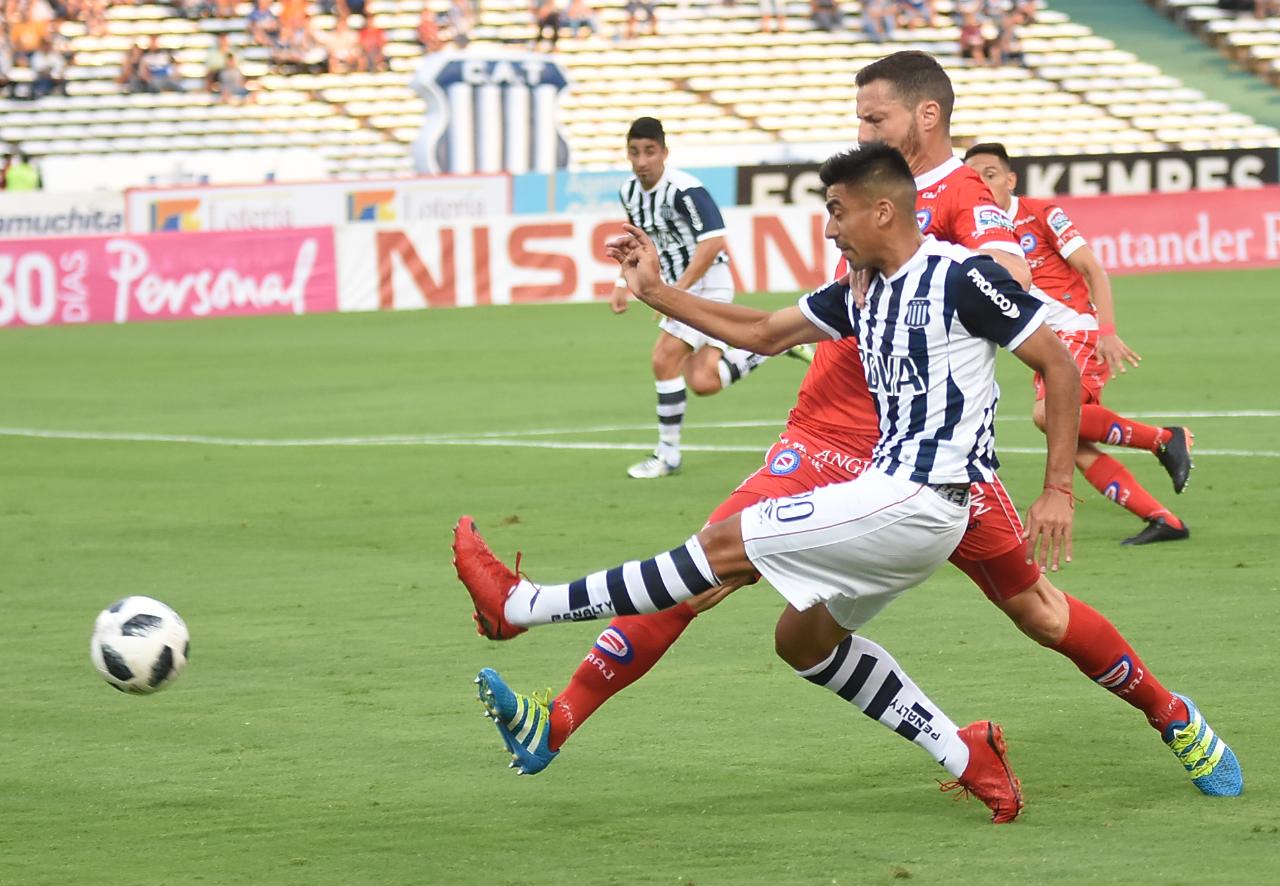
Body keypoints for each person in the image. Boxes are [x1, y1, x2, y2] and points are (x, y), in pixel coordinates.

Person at [455, 50, 1243, 807]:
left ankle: (1172, 715)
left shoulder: (961, 203)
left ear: (924, 117)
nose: (862, 130)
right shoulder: (868, 220)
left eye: (874, 117)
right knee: (742, 599)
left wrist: (946, 312)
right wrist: (660, 292)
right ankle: (557, 717)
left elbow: (1011, 278)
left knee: (1036, 610)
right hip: (844, 442)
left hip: (918, 458)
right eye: (859, 118)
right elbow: (768, 329)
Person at [457, 142, 1083, 820]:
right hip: (897, 504)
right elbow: (759, 332)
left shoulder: (960, 277)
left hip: (918, 500)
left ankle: (521, 607)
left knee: (721, 545)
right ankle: (967, 757)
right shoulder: (860, 292)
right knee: (802, 643)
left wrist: (1058, 488)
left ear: (882, 211)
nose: (828, 227)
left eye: (837, 212)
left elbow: (1059, 366)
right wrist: (655, 290)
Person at [963, 142, 1193, 545]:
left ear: (1010, 179)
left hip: (1076, 332)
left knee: (1046, 415)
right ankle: (1162, 519)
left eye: (991, 174)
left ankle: (1163, 438)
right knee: (1071, 446)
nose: (982, 183)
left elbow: (1092, 268)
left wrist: (1106, 330)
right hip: (1044, 344)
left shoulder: (1040, 213)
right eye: (974, 177)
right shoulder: (977, 233)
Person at [614, 117, 808, 480]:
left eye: (650, 152)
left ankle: (667, 456)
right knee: (704, 381)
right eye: (635, 152)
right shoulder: (628, 192)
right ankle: (774, 345)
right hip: (678, 287)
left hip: (706, 283)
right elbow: (638, 241)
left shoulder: (685, 189)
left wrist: (679, 289)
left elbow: (714, 240)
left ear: (664, 152)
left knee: (663, 359)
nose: (642, 160)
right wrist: (621, 282)